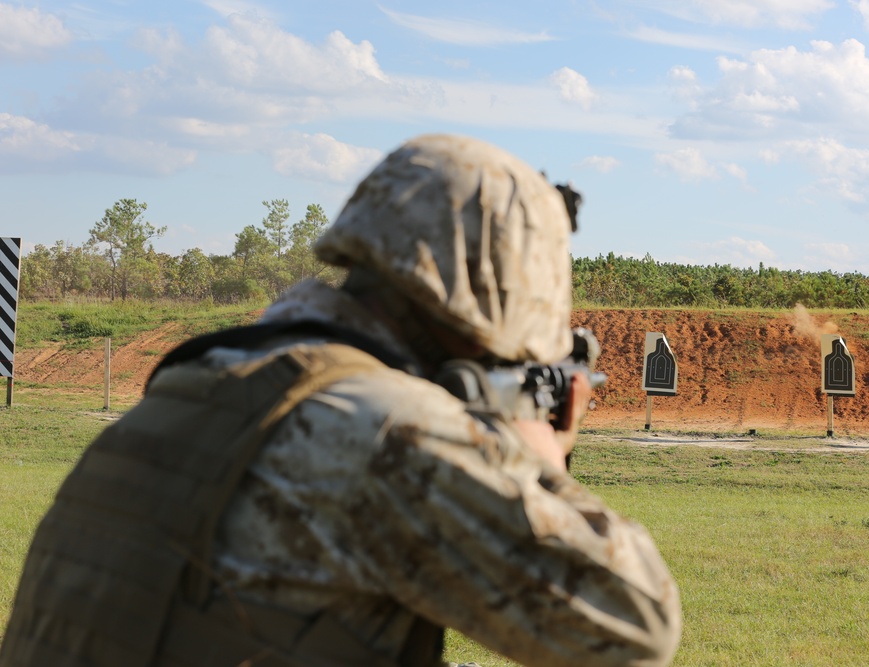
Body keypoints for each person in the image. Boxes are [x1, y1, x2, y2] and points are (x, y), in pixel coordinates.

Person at [0, 134, 681, 667]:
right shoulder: (388, 430)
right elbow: (634, 626)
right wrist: (540, 467)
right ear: (507, 296)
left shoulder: (204, 378)